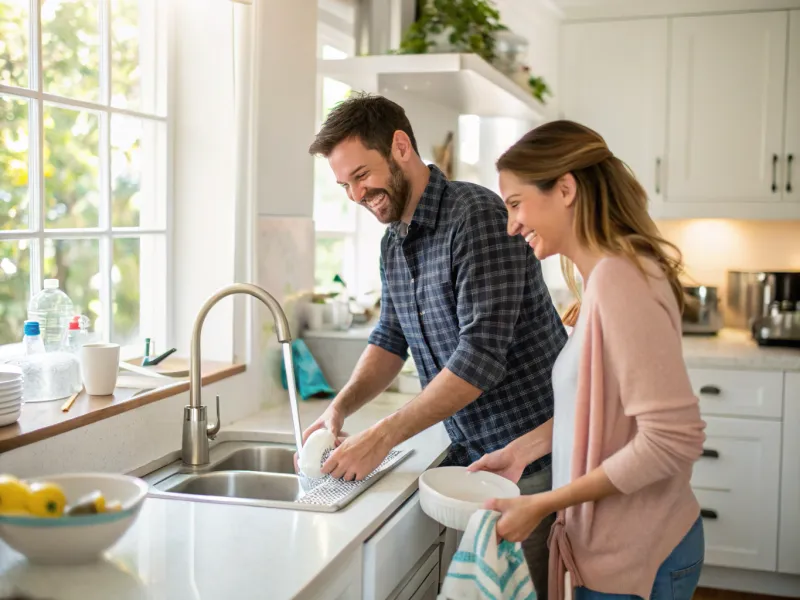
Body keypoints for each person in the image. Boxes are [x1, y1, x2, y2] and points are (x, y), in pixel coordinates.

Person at [304, 92, 568, 596]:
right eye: (344, 185)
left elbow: (480, 359)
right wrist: (339, 409)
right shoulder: (393, 242)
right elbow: (390, 337)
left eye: (361, 176)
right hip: (475, 459)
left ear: (400, 146)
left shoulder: (477, 217)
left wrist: (381, 436)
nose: (356, 195)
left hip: (535, 461)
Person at [470, 119, 707, 600]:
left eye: (515, 203)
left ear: (564, 189)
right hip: (618, 547)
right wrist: (521, 452)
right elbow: (602, 411)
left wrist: (545, 502)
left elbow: (672, 440)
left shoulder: (620, 278)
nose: (511, 223)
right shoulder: (609, 276)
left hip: (639, 553)